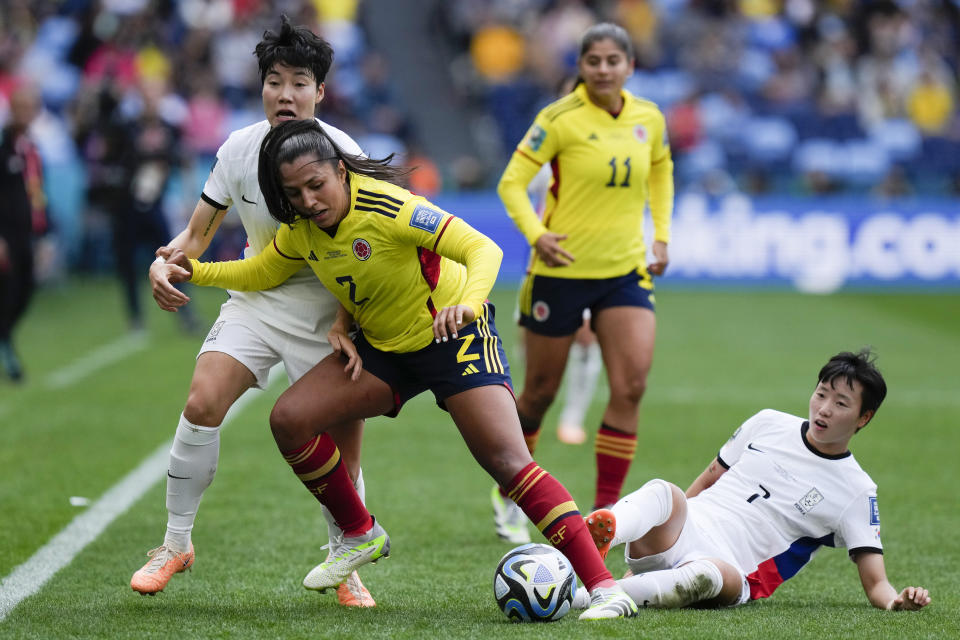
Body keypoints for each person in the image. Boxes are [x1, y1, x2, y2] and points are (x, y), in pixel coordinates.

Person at [157, 118, 639, 620]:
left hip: (453, 338)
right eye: (294, 193)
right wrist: (196, 271)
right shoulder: (301, 229)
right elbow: (261, 271)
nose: (308, 201)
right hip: (384, 350)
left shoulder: (391, 208)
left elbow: (483, 249)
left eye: (316, 185)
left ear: (341, 172)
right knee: (290, 419)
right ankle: (360, 532)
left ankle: (605, 588)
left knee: (508, 462)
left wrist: (471, 305)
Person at [130, 17, 376, 608]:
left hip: (333, 312)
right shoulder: (238, 149)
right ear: (261, 86)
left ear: (320, 91)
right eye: (274, 81)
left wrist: (348, 320)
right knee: (201, 401)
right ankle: (174, 544)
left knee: (343, 451)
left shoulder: (346, 154)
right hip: (257, 302)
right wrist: (165, 264)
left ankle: (346, 563)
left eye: (299, 82)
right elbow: (195, 233)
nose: (285, 94)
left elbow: (368, 253)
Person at [573, 350, 932, 613]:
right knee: (663, 492)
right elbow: (708, 479)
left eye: (841, 403)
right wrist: (664, 523)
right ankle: (609, 533)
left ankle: (599, 594)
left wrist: (897, 601)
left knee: (708, 575)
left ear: (863, 418)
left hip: (733, 567)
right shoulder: (768, 422)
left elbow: (876, 583)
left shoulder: (857, 490)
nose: (824, 408)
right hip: (687, 527)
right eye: (821, 394)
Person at [494, 22, 674, 539]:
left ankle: (604, 514)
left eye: (613, 60)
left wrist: (661, 235)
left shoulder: (649, 118)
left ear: (629, 66)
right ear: (580, 66)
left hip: (624, 270)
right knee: (539, 394)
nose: (602, 69)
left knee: (632, 386)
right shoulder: (558, 118)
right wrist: (536, 233)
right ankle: (510, 492)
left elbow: (660, 171)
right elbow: (511, 183)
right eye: (593, 60)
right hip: (560, 272)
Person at [0, 82, 47, 382]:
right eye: (21, 108)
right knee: (8, 293)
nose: (27, 114)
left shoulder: (31, 147)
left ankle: (5, 339)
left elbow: (38, 192)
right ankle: (9, 356)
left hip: (28, 234)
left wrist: (45, 233)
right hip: (6, 236)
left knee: (26, 291)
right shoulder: (3, 147)